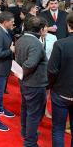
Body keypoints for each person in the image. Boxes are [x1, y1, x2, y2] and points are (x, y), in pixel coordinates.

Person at [15, 16, 48, 146]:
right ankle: (30, 142)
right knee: (34, 113)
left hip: (24, 82)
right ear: (40, 29)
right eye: (45, 28)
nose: (47, 30)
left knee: (26, 108)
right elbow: (29, 64)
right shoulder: (36, 44)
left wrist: (20, 74)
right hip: (34, 84)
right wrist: (22, 72)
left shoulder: (21, 39)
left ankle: (26, 132)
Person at [48, 12, 73, 147]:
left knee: (58, 129)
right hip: (61, 92)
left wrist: (50, 86)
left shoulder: (60, 44)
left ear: (68, 26)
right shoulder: (60, 44)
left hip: (60, 93)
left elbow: (52, 71)